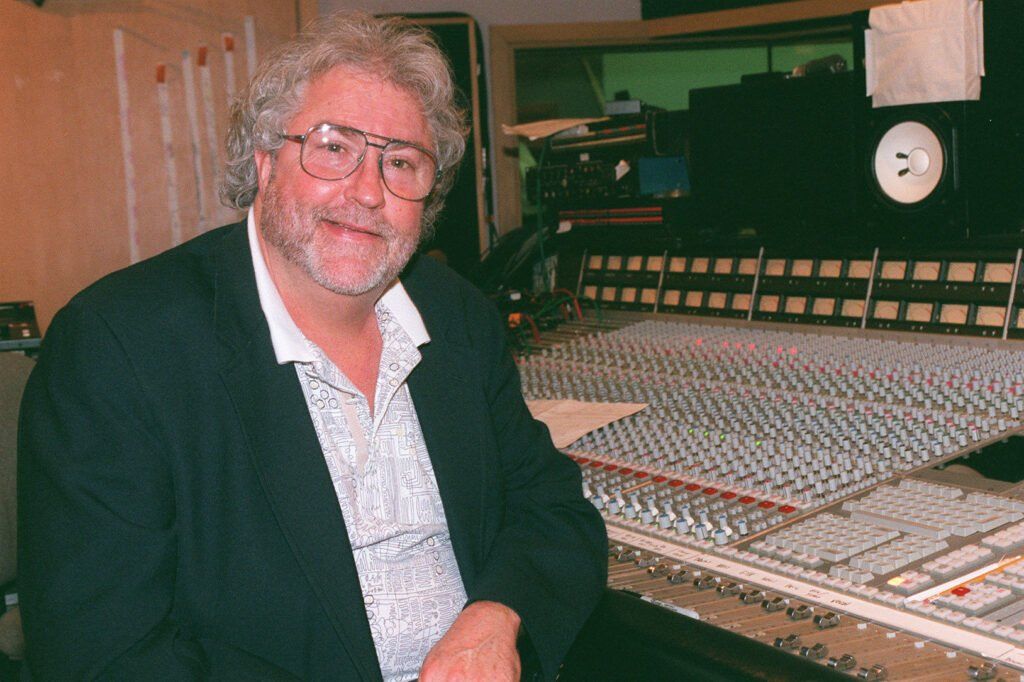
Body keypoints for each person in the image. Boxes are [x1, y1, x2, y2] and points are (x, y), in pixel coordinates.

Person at [17, 11, 606, 681]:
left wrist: (497, 617)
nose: (366, 191)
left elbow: (553, 510)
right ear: (266, 162)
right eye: (333, 148)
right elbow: (104, 657)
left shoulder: (458, 319)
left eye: (401, 162)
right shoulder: (117, 347)